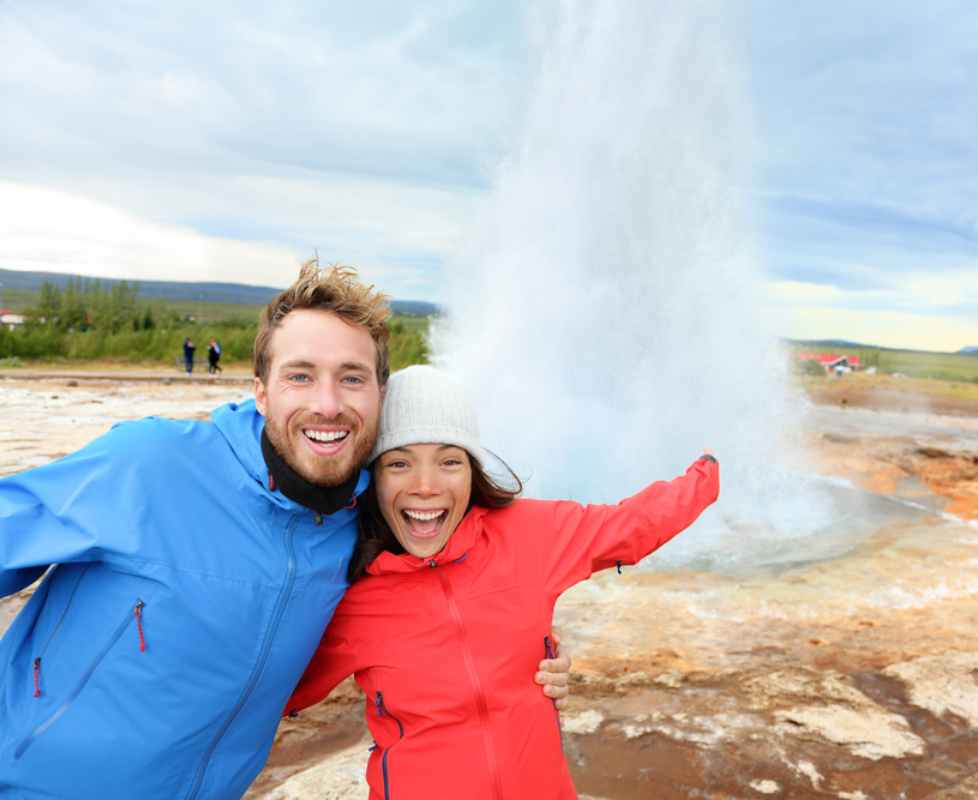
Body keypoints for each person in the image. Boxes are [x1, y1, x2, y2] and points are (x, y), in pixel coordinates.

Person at [0, 263, 570, 799]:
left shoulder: (369, 519)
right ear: (261, 389)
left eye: (352, 378)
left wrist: (529, 657)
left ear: (378, 396)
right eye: (301, 375)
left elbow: (445, 588)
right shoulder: (148, 465)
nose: (328, 404)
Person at [286, 365, 720, 798]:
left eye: (449, 461)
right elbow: (266, 689)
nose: (425, 485)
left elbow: (632, 525)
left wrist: (707, 473)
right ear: (372, 478)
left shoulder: (531, 535)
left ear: (472, 470)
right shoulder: (348, 594)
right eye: (399, 462)